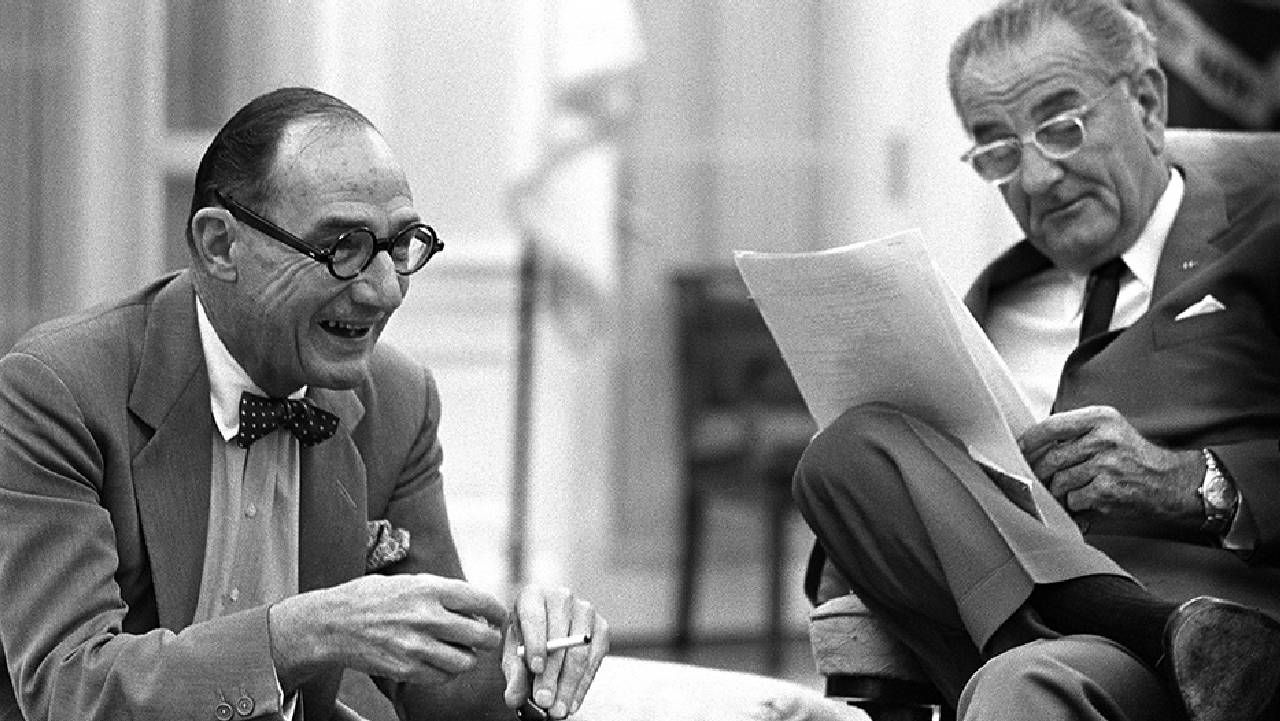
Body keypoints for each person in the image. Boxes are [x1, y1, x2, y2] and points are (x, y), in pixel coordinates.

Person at [0, 86, 608, 721]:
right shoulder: (55, 391)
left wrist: (535, 659)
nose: (385, 291)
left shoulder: (398, 403)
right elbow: (69, 689)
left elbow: (441, 691)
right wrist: (302, 633)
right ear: (219, 245)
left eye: (402, 244)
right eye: (342, 247)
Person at [792, 1, 1280, 720]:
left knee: (1022, 683)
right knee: (838, 454)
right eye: (998, 150)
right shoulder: (988, 303)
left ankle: (1182, 634)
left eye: (1061, 128)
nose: (1038, 177)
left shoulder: (1261, 243)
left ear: (1147, 103)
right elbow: (858, 557)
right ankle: (1147, 631)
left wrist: (1191, 481)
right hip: (1021, 637)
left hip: (1230, 642)